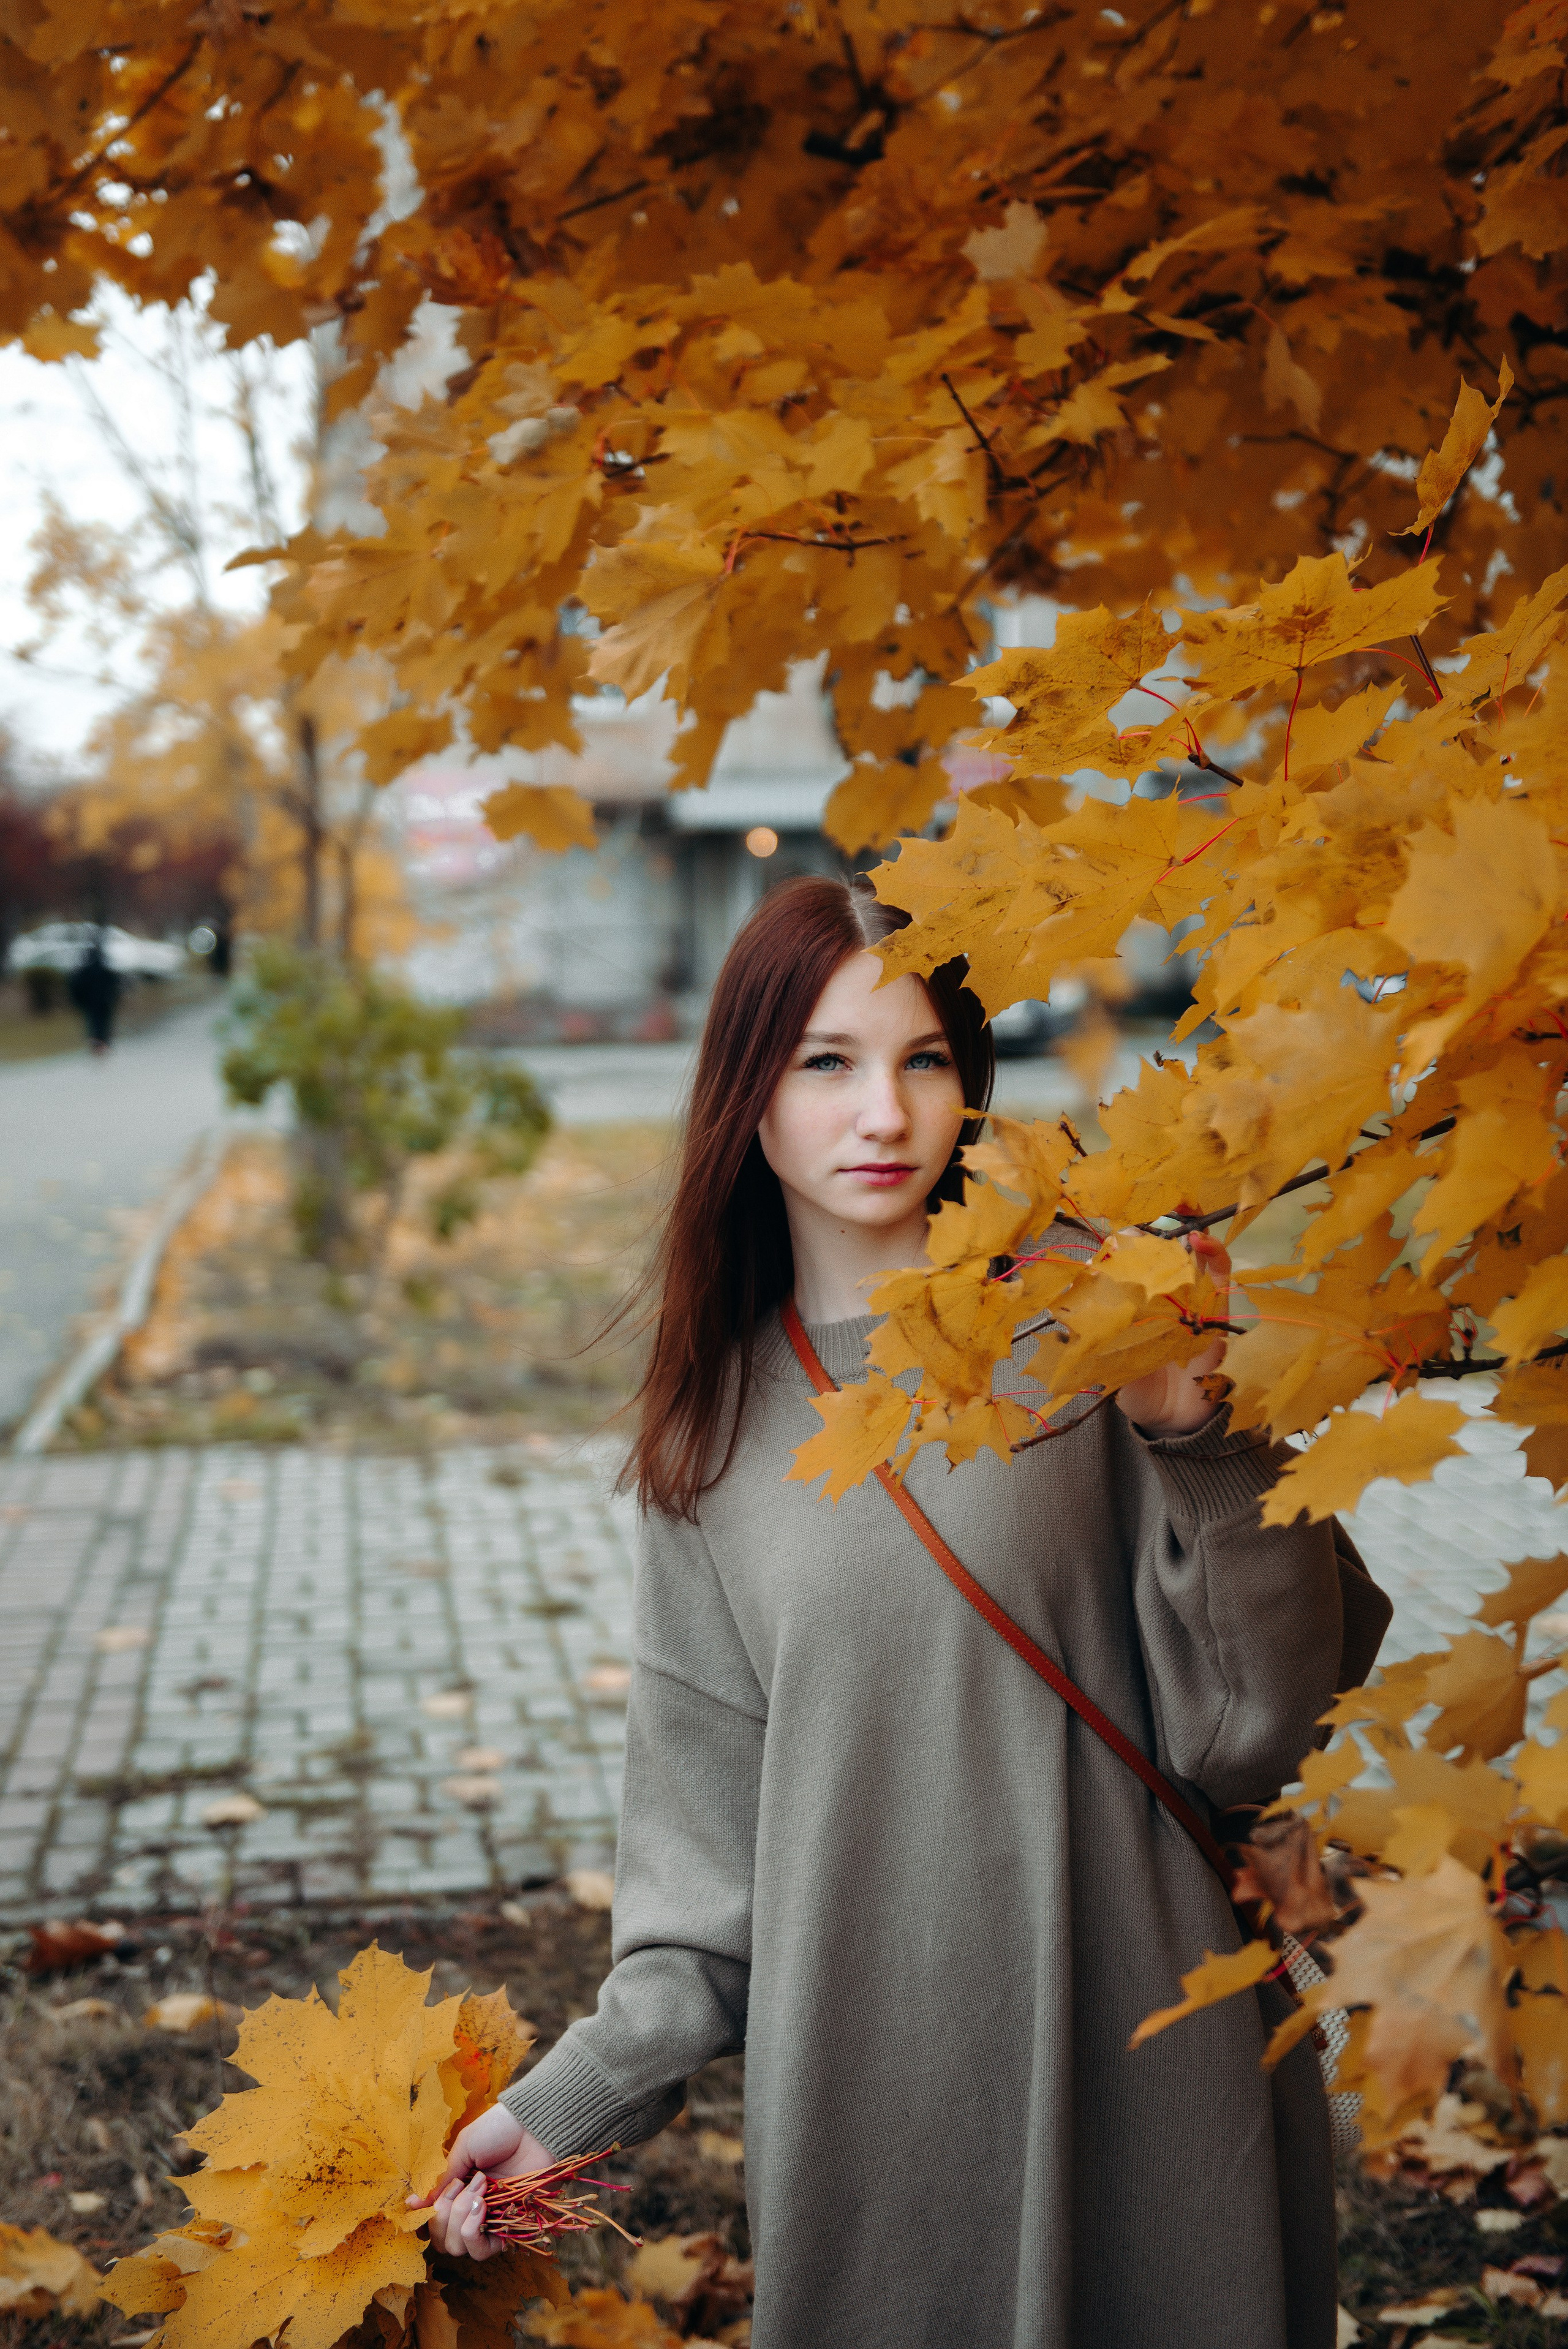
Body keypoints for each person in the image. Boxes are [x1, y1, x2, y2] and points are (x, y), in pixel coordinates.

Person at [418, 875, 1390, 2349]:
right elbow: (702, 1875)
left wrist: (1206, 1437)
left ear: (967, 1085)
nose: (881, 1109)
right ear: (743, 1094)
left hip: (1145, 2029)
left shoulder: (1093, 1327)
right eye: (825, 1060)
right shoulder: (709, 1433)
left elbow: (1263, 1720)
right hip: (874, 2090)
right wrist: (558, 2109)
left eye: (922, 1057)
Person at [68, 933, 121, 1055]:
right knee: (104, 1022)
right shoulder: (105, 970)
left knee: (94, 1022)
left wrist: (80, 1001)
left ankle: (97, 1043)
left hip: (91, 1002)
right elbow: (115, 985)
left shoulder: (84, 972)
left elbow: (76, 986)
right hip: (105, 1001)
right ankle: (103, 1043)